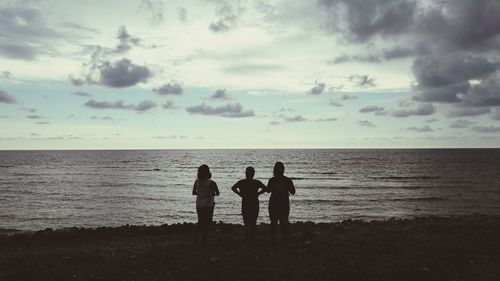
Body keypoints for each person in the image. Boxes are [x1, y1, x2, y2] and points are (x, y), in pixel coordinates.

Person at [231, 166, 267, 243]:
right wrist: (258, 194)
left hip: (245, 202)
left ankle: (247, 238)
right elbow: (266, 188)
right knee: (253, 221)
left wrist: (240, 194)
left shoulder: (242, 182)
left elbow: (233, 188)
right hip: (254, 202)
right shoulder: (256, 182)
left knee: (246, 221)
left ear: (246, 173)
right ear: (253, 174)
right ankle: (251, 239)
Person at [266, 161, 295, 245]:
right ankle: (284, 240)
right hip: (284, 204)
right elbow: (293, 191)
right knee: (283, 222)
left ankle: (273, 240)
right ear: (283, 170)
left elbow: (268, 190)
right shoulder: (287, 180)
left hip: (274, 203)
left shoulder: (272, 180)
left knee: (273, 222)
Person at [192, 164, 220, 246]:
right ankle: (204, 241)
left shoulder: (196, 181)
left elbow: (194, 192)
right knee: (207, 222)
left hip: (199, 204)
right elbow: (216, 193)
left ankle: (196, 240)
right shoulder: (211, 182)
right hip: (208, 204)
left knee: (200, 222)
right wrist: (212, 193)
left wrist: (201, 193)